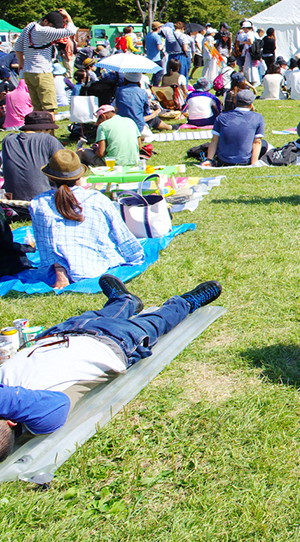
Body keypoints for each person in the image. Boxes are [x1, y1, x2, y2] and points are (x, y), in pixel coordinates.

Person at [0, 276, 222, 452]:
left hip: (59, 335)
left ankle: (125, 301)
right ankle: (186, 302)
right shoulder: (45, 416)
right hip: (114, 343)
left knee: (103, 314)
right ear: (11, 421)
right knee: (158, 321)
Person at [31, 149, 145, 289]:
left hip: (64, 273)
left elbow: (47, 244)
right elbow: (120, 234)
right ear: (79, 177)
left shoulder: (38, 204)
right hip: (103, 264)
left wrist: (61, 275)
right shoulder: (97, 199)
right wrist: (136, 258)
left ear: (50, 178)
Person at [1, 110, 64, 218]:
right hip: (44, 203)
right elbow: (66, 167)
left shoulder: (7, 140)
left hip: (14, 205)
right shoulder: (48, 140)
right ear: (43, 129)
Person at [15, 10, 77, 112]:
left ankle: (39, 127)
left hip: (28, 72)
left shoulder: (30, 26)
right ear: (45, 21)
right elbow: (71, 31)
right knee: (49, 107)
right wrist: (68, 16)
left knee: (37, 107)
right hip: (42, 72)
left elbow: (18, 46)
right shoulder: (45, 31)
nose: (54, 30)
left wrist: (22, 64)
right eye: (53, 27)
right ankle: (49, 127)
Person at [201, 90, 265, 167]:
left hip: (223, 160)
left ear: (235, 102)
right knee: (263, 144)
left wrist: (209, 160)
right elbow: (257, 142)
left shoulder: (221, 117)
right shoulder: (258, 117)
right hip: (245, 160)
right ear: (251, 105)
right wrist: (253, 164)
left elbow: (215, 140)